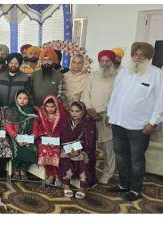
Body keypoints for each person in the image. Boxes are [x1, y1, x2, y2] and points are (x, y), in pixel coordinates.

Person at [107, 42, 163, 201]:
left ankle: (135, 189)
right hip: (118, 122)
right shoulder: (124, 71)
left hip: (139, 126)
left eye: (142, 55)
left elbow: (160, 101)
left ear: (149, 57)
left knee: (136, 160)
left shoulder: (156, 74)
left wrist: (153, 122)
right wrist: (110, 113)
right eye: (136, 54)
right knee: (121, 156)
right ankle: (123, 184)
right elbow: (115, 94)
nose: (138, 57)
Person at [82, 50, 118, 184]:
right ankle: (88, 172)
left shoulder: (117, 77)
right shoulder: (93, 75)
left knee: (108, 148)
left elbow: (116, 97)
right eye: (102, 61)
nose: (104, 63)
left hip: (106, 116)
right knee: (89, 145)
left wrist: (106, 112)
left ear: (112, 62)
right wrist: (89, 108)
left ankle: (108, 173)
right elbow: (86, 92)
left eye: (107, 61)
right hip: (90, 115)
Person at [59, 101, 97, 199]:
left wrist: (77, 150)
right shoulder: (66, 121)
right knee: (64, 155)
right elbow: (63, 138)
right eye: (72, 111)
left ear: (83, 112)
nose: (74, 113)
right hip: (68, 147)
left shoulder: (89, 122)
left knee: (83, 158)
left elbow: (90, 141)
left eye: (77, 111)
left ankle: (83, 187)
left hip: (84, 148)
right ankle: (66, 184)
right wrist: (69, 149)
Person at [4, 90, 39, 179]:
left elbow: (35, 129)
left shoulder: (32, 112)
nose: (22, 100)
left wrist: (30, 138)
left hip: (28, 138)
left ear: (28, 100)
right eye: (20, 98)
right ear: (16, 99)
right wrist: (17, 137)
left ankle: (23, 169)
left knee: (31, 149)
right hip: (14, 137)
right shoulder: (11, 111)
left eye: (25, 98)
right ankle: (16, 170)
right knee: (16, 148)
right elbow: (9, 127)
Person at [36, 95, 67, 186]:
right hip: (45, 139)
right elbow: (39, 128)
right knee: (44, 149)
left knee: (56, 151)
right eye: (47, 106)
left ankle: (57, 176)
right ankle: (50, 175)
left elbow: (64, 130)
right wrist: (45, 136)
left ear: (56, 106)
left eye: (52, 106)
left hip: (59, 140)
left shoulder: (62, 116)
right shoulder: (42, 115)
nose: (50, 109)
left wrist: (56, 139)